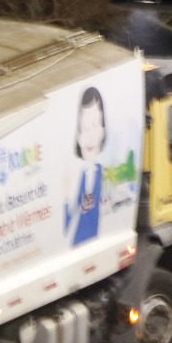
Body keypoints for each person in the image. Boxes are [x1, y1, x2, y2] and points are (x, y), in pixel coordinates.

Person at [65, 87, 107, 246]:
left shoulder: (100, 171)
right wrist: (66, 197)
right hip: (79, 242)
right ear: (77, 134)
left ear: (103, 129)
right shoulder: (79, 173)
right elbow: (69, 220)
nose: (89, 137)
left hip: (93, 242)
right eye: (84, 128)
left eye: (95, 125)